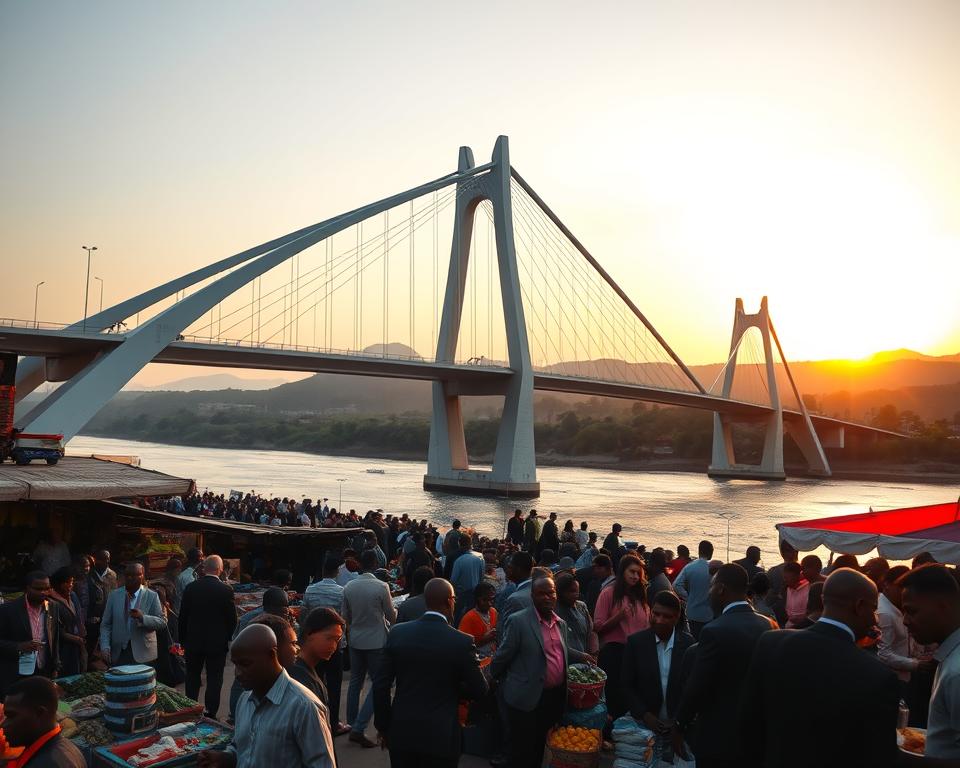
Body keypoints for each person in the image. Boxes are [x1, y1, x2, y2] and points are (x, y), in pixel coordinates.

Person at [740, 568, 900, 767]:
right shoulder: (877, 676)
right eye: (873, 609)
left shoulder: (771, 642)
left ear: (824, 601)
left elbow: (749, 720)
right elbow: (877, 755)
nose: (875, 619)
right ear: (860, 606)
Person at [374, 578, 488, 768]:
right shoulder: (462, 642)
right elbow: (480, 689)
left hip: (403, 732)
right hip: (442, 736)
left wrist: (384, 727)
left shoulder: (398, 633)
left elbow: (380, 685)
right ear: (450, 601)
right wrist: (453, 688)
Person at [674, 563, 772, 768]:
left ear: (720, 589)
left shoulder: (714, 631)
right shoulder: (768, 624)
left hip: (719, 737)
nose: (709, 593)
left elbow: (696, 687)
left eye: (711, 587)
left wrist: (679, 724)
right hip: (756, 735)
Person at [198, 623, 335, 768]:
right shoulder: (245, 700)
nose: (237, 673)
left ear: (271, 655)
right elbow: (242, 748)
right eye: (236, 665)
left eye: (245, 664)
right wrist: (225, 758)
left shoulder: (304, 707)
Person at [491, 576, 569, 768]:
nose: (547, 597)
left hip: (552, 699)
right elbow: (502, 657)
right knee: (522, 753)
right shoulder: (518, 622)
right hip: (525, 700)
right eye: (541, 593)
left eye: (550, 592)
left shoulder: (561, 624)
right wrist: (501, 683)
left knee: (541, 749)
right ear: (532, 596)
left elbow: (558, 654)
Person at [900, 563, 960, 758]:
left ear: (943, 606)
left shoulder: (957, 673)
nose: (905, 620)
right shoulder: (949, 658)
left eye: (912, 611)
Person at [622, 590, 695, 747]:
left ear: (676, 618)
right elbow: (627, 685)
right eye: (656, 614)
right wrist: (645, 715)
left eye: (666, 616)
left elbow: (692, 689)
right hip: (644, 727)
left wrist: (678, 719)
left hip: (678, 729)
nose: (659, 620)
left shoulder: (689, 645)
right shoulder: (636, 643)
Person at [342, 549, 397, 748]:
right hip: (376, 642)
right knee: (379, 685)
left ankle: (352, 723)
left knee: (356, 682)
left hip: (356, 639)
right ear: (375, 564)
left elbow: (345, 616)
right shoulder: (381, 586)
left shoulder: (348, 586)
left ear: (359, 564)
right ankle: (358, 727)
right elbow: (392, 617)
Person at [594, 553, 650, 726]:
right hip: (614, 653)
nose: (635, 576)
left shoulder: (640, 596)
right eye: (631, 572)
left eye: (638, 573)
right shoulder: (608, 593)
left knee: (630, 696)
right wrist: (618, 617)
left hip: (635, 654)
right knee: (612, 697)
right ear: (622, 572)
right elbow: (597, 626)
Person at [180, 555, 237, 719]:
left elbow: (183, 616)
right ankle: (211, 712)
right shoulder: (226, 590)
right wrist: (225, 638)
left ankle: (190, 709)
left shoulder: (191, 588)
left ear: (204, 569)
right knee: (214, 677)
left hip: (193, 641)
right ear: (220, 570)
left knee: (192, 676)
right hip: (216, 644)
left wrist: (183, 640)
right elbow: (232, 620)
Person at [0, 676, 86, 767]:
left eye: (11, 716)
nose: (3, 725)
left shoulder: (46, 763)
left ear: (39, 713)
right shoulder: (66, 747)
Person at [0, 572, 61, 698]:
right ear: (27, 588)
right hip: (16, 675)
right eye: (38, 589)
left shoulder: (53, 607)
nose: (43, 592)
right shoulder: (8, 610)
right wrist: (18, 646)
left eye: (46, 588)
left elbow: (55, 638)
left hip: (43, 671)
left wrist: (55, 665)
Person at [99, 563, 167, 666]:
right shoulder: (114, 595)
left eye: (134, 575)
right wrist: (104, 646)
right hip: (119, 652)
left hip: (143, 653)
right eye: (127, 575)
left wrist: (142, 618)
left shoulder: (152, 595)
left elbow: (162, 622)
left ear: (142, 575)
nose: (130, 578)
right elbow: (106, 624)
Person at [291, 607, 346, 733]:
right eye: (329, 638)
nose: (333, 646)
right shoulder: (300, 679)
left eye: (337, 640)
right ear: (309, 633)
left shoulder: (308, 671)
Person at [48, 566, 86, 677]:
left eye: (71, 582)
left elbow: (79, 615)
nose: (70, 585)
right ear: (59, 583)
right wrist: (75, 638)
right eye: (67, 582)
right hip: (62, 646)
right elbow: (55, 628)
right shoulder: (51, 601)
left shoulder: (73, 595)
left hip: (78, 643)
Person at [673, 540, 715, 638]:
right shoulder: (713, 568)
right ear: (711, 552)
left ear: (699, 551)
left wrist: (689, 597)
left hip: (692, 613)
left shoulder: (689, 567)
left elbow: (676, 585)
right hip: (710, 614)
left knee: (693, 640)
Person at [555, 572, 597, 663]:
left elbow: (591, 631)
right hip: (563, 664)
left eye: (577, 591)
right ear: (560, 592)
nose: (576, 595)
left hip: (584, 664)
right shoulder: (554, 612)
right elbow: (557, 645)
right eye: (571, 591)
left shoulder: (581, 606)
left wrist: (594, 651)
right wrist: (580, 656)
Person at [458, 581, 499, 664]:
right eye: (484, 600)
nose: (489, 604)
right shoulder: (469, 618)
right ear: (477, 599)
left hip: (493, 661)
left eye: (492, 599)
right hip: (477, 664)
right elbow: (462, 649)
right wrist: (483, 640)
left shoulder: (493, 612)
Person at [450, 533, 485, 624]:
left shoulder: (459, 561)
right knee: (472, 613)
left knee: (457, 614)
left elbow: (453, 580)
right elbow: (482, 576)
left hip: (462, 592)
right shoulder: (479, 558)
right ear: (470, 544)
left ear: (459, 544)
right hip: (475, 591)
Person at [764, 538, 798, 627]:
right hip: (798, 615)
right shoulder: (803, 571)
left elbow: (767, 597)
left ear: (782, 553)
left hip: (778, 614)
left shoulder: (773, 571)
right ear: (796, 552)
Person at [783, 562, 810, 628]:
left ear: (798, 576)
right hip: (788, 626)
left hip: (802, 628)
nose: (784, 580)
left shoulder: (808, 590)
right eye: (784, 577)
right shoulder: (789, 587)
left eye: (787, 577)